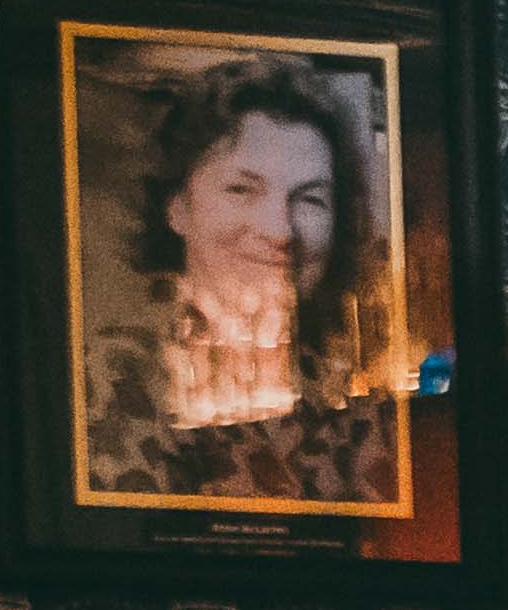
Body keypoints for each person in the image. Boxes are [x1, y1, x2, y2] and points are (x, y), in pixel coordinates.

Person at [79, 54, 404, 510]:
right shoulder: (111, 378)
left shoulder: (348, 389)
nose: (280, 230)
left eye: (311, 199)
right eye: (241, 189)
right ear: (176, 207)